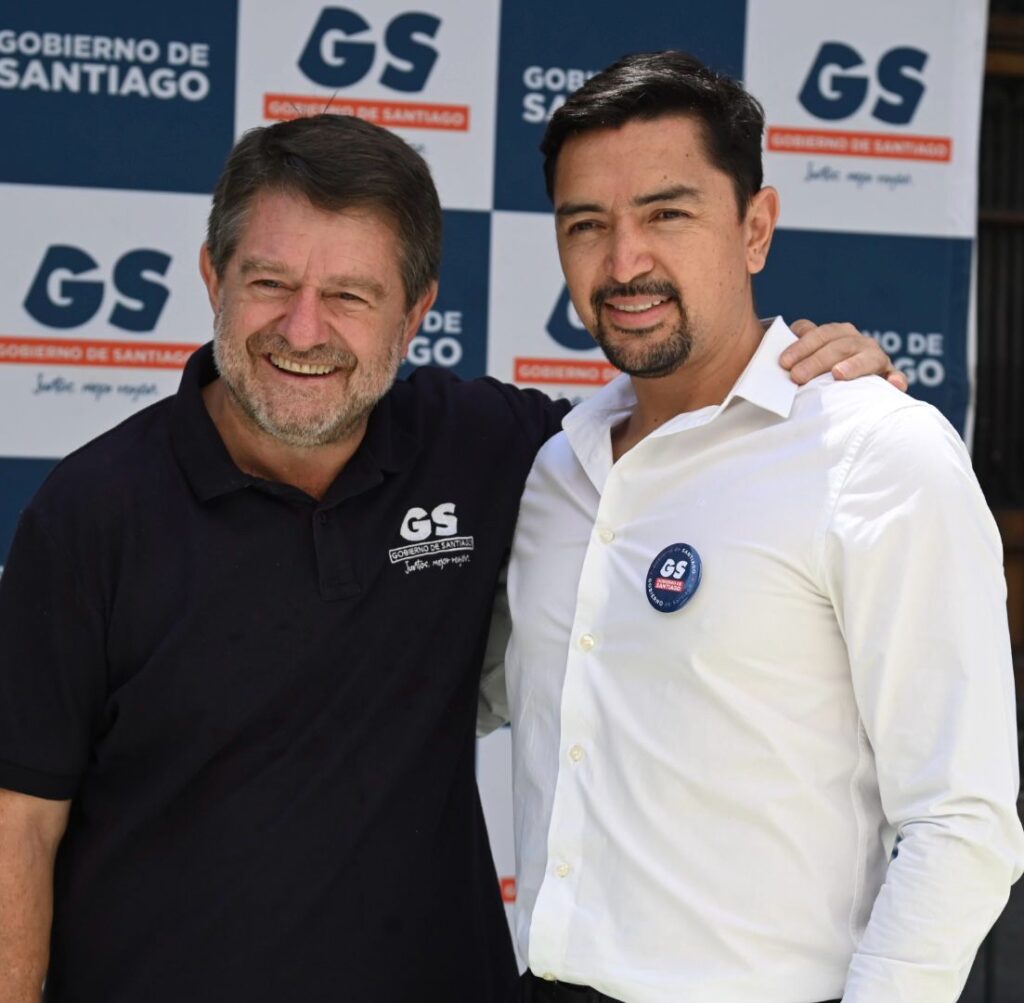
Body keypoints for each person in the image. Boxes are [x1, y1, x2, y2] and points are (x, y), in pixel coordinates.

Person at [0, 112, 894, 1002]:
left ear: (417, 313)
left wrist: (822, 387)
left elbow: (686, 441)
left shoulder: (499, 449)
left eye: (350, 296)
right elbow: (19, 823)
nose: (303, 330)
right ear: (213, 276)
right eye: (270, 282)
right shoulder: (90, 512)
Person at [504, 51, 1024, 1003]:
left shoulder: (877, 453)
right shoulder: (556, 473)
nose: (624, 262)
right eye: (587, 225)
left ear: (756, 228)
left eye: (667, 214)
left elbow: (962, 822)